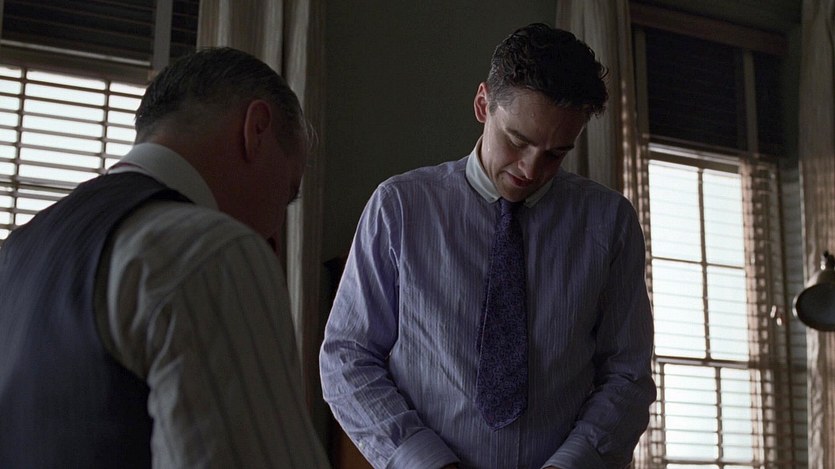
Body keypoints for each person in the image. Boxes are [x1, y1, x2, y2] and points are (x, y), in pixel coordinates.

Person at [319, 23, 655, 469]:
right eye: (518, 141)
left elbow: (627, 374)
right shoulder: (399, 208)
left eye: (555, 153)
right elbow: (347, 357)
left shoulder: (610, 224)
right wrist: (426, 461)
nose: (531, 170)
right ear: (483, 104)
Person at [0, 47, 330, 468]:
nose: (275, 226)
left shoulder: (19, 247)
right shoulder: (210, 252)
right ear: (257, 130)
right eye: (288, 192)